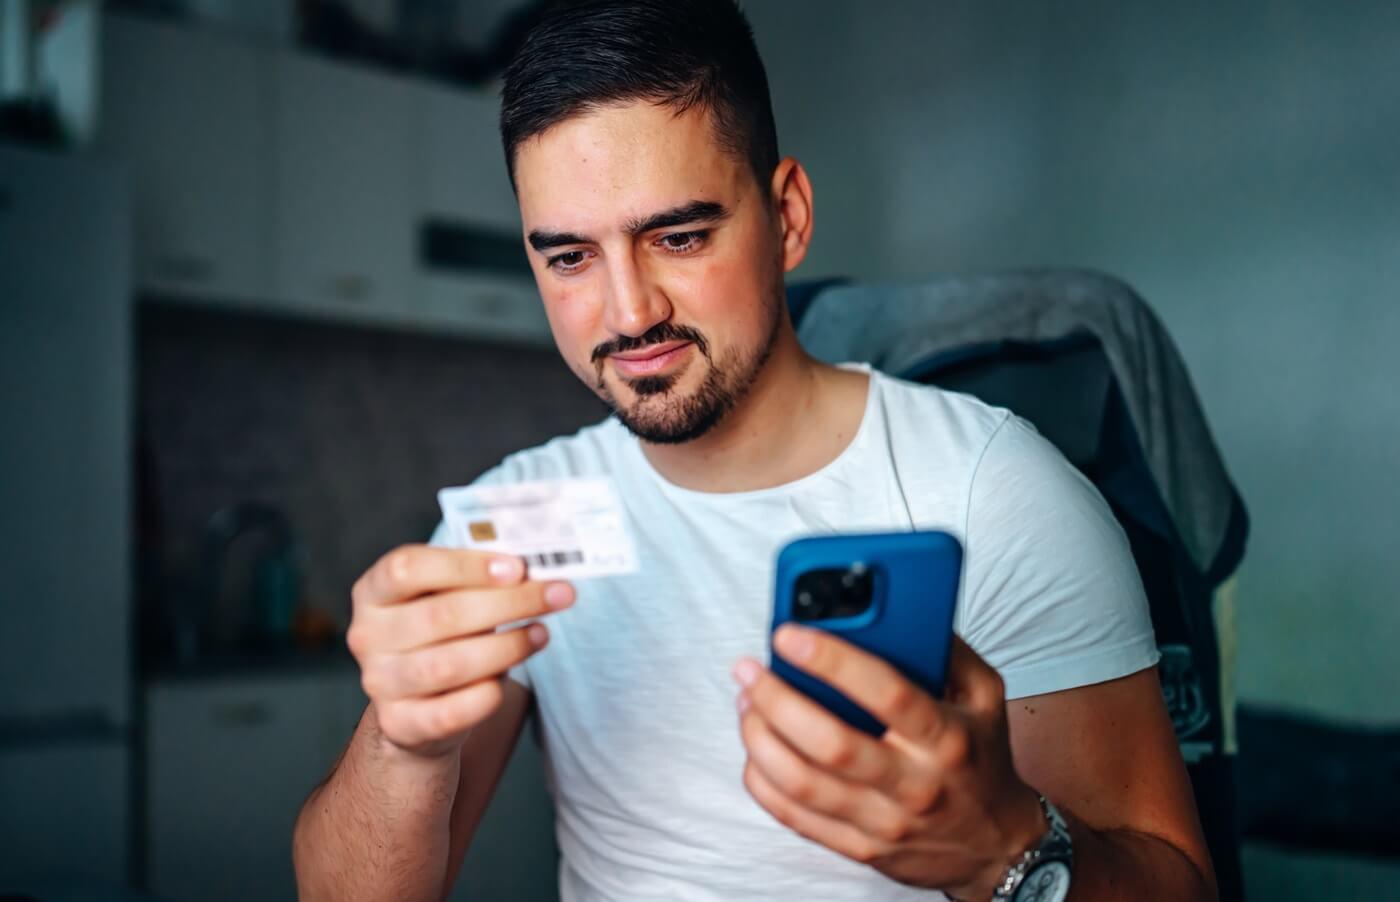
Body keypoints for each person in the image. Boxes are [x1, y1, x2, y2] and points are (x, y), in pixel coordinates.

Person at [292, 1, 1217, 899]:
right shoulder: (512, 526)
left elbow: (1177, 883)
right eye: (570, 257)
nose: (629, 312)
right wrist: (400, 742)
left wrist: (1003, 851)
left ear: (788, 219)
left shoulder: (996, 493)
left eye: (679, 236)